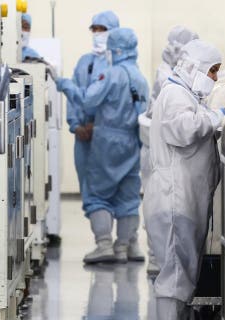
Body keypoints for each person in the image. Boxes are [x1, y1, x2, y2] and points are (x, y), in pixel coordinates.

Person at [143, 39, 225, 319]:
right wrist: (216, 118)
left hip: (182, 199)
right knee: (175, 278)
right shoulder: (176, 96)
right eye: (213, 71)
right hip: (174, 200)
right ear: (196, 68)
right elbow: (182, 130)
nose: (215, 78)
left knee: (181, 276)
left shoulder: (185, 94)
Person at [56, 27, 148, 264]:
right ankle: (123, 247)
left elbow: (88, 99)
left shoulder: (111, 74)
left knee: (98, 194)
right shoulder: (139, 77)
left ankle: (104, 244)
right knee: (128, 198)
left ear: (115, 48)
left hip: (107, 140)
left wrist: (64, 84)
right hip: (132, 141)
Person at [141, 26, 199, 276]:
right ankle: (157, 257)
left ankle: (159, 258)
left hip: (158, 153)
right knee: (160, 208)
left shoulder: (169, 75)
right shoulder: (169, 79)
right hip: (160, 154)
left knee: (162, 207)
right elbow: (180, 124)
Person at [63, 11, 119, 251]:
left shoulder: (120, 64)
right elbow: (74, 96)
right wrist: (76, 125)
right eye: (94, 29)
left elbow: (120, 102)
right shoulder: (84, 62)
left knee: (118, 189)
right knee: (91, 189)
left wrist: (99, 126)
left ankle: (126, 242)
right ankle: (103, 240)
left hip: (109, 139)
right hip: (85, 140)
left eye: (102, 29)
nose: (97, 34)